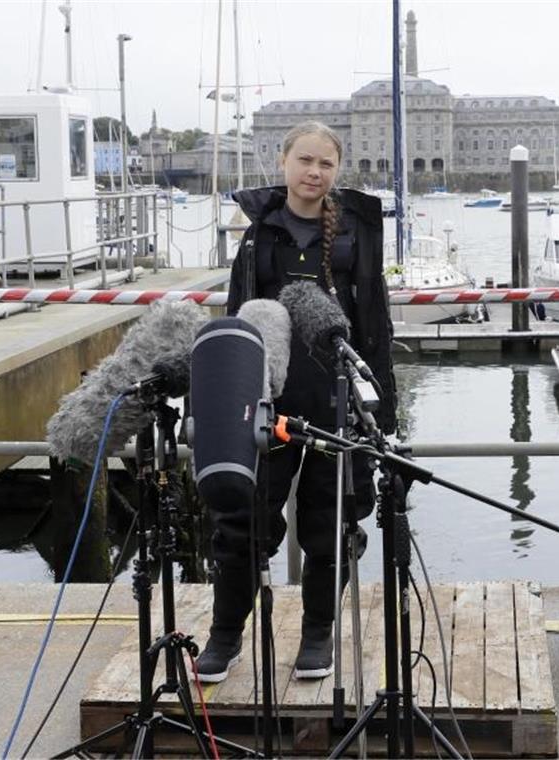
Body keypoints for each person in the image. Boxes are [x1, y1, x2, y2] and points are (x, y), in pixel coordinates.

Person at [195, 121, 398, 683]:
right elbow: (238, 318)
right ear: (282, 162)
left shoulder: (357, 231)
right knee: (244, 523)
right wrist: (226, 403)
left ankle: (317, 633)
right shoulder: (260, 233)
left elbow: (373, 325)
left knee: (329, 527)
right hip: (269, 404)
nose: (314, 172)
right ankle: (225, 636)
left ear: (337, 171)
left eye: (325, 164)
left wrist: (381, 410)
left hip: (336, 403)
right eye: (304, 160)